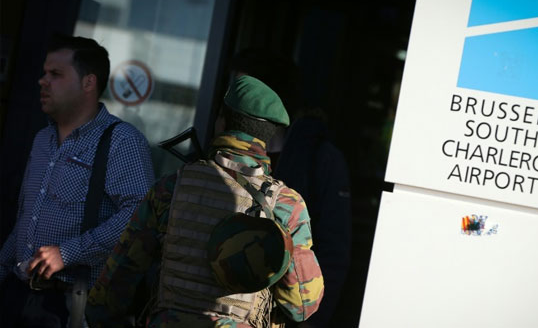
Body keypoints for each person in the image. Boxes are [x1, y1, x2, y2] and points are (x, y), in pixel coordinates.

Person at [85, 75, 324, 328]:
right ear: (268, 138)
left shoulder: (171, 187)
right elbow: (302, 305)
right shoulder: (287, 205)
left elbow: (113, 286)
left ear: (221, 122)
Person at [0, 35, 155, 327]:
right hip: (17, 296)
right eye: (44, 73)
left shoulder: (122, 141)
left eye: (55, 74)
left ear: (88, 83)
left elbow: (140, 213)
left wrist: (69, 253)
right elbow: (25, 220)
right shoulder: (42, 139)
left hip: (73, 306)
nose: (42, 81)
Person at [231, 49, 351, 327]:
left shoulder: (321, 158)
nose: (231, 102)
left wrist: (310, 323)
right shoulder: (226, 153)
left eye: (242, 90)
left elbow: (334, 251)